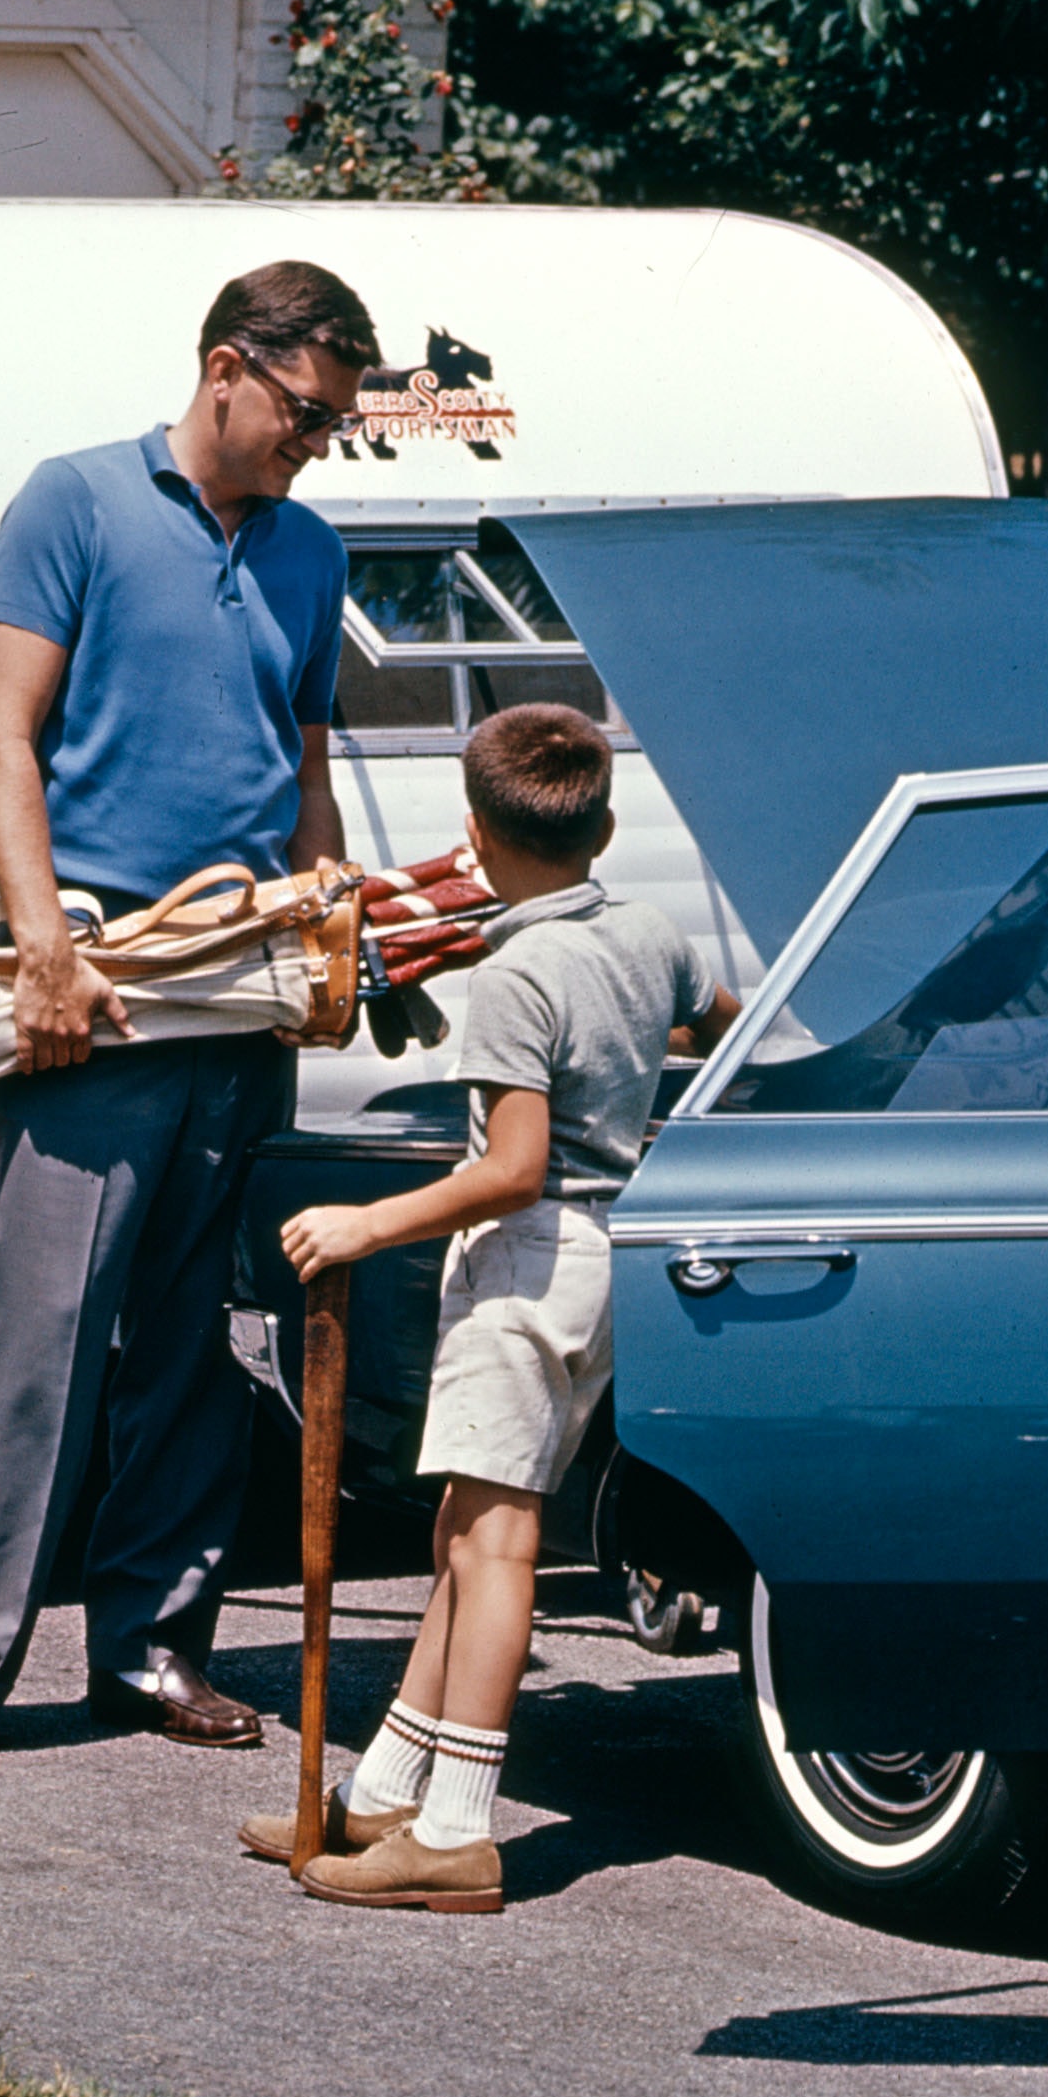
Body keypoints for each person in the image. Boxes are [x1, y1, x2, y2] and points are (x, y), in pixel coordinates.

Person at [0, 255, 377, 1771]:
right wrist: (42, 947)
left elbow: (298, 764)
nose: (313, 445)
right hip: (96, 986)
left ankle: (151, 1644)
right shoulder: (75, 504)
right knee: (43, 1337)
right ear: (227, 365)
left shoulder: (308, 552)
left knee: (191, 1340)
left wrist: (326, 926)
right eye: (304, 414)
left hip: (239, 988)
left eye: (332, 429)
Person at [259, 700, 726, 1909]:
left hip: (525, 1256)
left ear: (471, 831)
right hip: (603, 1257)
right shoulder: (643, 927)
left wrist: (367, 1223)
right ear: (606, 825)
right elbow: (713, 1020)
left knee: (498, 1537)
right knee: (462, 1531)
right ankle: (381, 1797)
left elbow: (509, 1165)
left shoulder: (518, 976)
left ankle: (460, 1829)